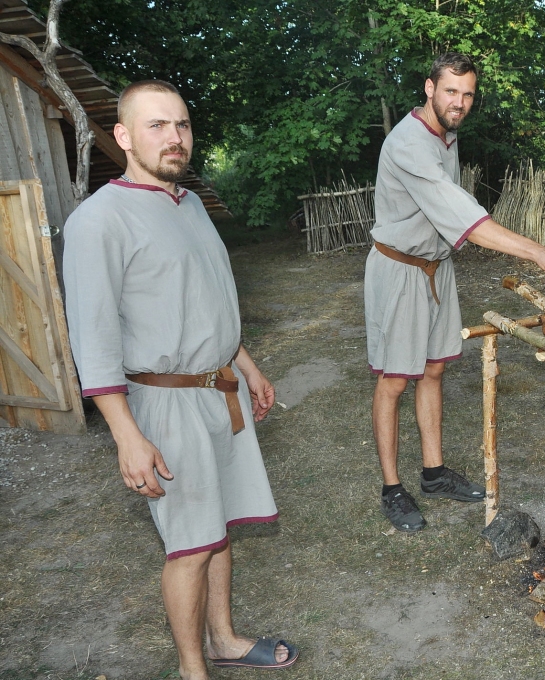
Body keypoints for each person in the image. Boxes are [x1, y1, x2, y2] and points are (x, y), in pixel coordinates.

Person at [62, 80, 297, 679]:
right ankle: (194, 671)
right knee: (190, 544)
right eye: (157, 126)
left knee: (218, 528)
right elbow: (94, 341)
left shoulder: (189, 204)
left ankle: (223, 638)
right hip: (163, 404)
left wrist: (245, 364)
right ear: (122, 137)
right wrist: (126, 435)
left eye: (182, 125)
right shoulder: (98, 221)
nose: (174, 137)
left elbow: (208, 298)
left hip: (221, 390)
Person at [365, 53, 545, 532]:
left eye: (468, 94)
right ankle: (392, 489)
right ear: (429, 88)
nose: (460, 102)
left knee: (433, 370)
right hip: (399, 270)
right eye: (451, 91)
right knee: (393, 381)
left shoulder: (448, 135)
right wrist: (538, 252)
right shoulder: (409, 143)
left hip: (435, 269)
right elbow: (465, 215)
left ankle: (433, 474)